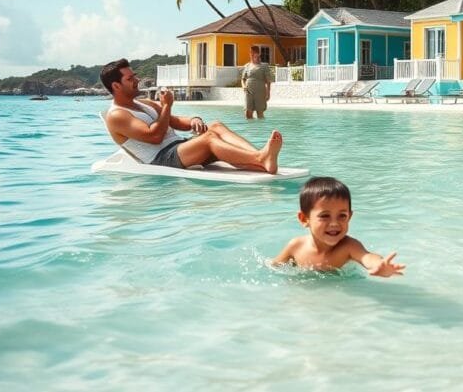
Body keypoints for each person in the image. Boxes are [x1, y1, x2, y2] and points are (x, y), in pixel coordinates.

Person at [100, 58, 282, 172]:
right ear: (116, 86)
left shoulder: (143, 103)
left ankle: (260, 156)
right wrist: (167, 106)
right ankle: (260, 158)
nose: (137, 80)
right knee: (209, 138)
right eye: (130, 79)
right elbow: (154, 136)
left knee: (215, 126)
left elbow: (176, 121)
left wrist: (195, 120)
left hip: (179, 147)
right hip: (162, 159)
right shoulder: (116, 116)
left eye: (135, 76)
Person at [272, 177, 405, 277]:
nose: (334, 223)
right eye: (325, 216)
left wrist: (379, 264)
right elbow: (274, 266)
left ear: (350, 217)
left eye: (342, 216)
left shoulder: (348, 246)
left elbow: (366, 257)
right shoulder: (295, 246)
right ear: (304, 219)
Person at [241, 45, 271, 120]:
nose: (251, 54)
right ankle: (252, 130)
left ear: (258, 53)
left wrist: (268, 93)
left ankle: (260, 129)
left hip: (260, 91)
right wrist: (244, 86)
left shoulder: (264, 66)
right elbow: (243, 79)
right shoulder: (247, 66)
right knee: (248, 112)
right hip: (249, 91)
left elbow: (268, 81)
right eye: (250, 52)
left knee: (259, 113)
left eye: (253, 52)